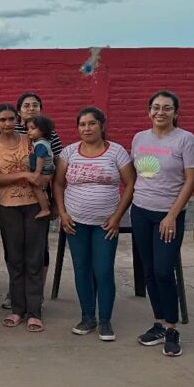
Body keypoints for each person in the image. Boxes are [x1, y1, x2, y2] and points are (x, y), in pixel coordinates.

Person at [54, 107, 135, 341]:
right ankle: (88, 316)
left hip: (105, 224)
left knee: (103, 270)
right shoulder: (69, 152)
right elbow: (58, 184)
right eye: (82, 124)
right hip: (75, 223)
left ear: (101, 125)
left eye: (91, 123)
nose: (86, 128)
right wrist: (62, 213)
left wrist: (118, 216)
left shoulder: (116, 152)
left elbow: (130, 184)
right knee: (81, 269)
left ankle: (105, 320)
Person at [131, 90, 194, 357]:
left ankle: (172, 327)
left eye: (167, 108)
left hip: (168, 214)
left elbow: (190, 180)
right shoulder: (139, 138)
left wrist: (172, 214)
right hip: (140, 211)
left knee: (163, 270)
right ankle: (159, 322)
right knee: (148, 270)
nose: (160, 112)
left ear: (175, 112)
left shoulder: (185, 140)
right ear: (149, 111)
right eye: (156, 108)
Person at [0, 102, 50, 332]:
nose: (7, 123)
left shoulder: (30, 140)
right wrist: (25, 174)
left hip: (34, 205)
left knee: (34, 259)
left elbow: (45, 165)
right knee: (15, 259)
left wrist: (44, 178)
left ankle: (34, 311)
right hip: (8, 206)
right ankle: (17, 310)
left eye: (11, 119)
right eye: (2, 120)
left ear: (18, 120)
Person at [26, 115, 57, 219]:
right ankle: (46, 199)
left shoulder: (40, 145)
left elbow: (40, 159)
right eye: (28, 129)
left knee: (37, 188)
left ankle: (45, 209)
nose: (29, 131)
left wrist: (37, 173)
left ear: (43, 130)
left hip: (44, 172)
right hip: (46, 171)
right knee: (41, 188)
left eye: (32, 128)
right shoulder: (41, 142)